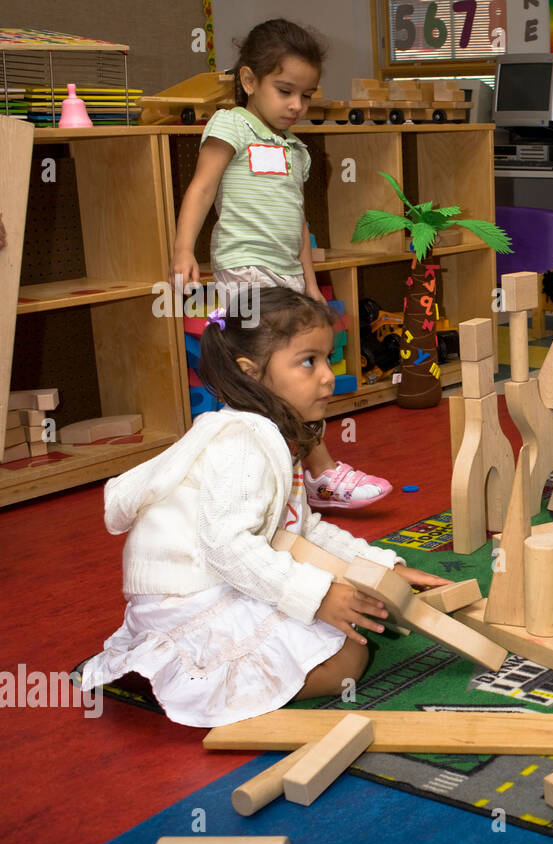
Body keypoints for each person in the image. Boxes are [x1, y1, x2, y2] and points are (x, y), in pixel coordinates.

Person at [80, 289, 449, 727]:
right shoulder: (242, 441)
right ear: (252, 374)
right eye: (307, 362)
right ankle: (188, 679)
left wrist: (378, 565)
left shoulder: (271, 432)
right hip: (191, 596)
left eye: (327, 360)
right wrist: (319, 596)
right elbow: (228, 550)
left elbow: (301, 530)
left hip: (224, 577)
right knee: (347, 658)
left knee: (358, 621)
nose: (328, 377)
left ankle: (185, 670)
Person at [170, 17, 391, 510]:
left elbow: (298, 225)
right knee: (279, 371)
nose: (296, 106)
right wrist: (184, 251)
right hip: (245, 269)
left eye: (306, 96)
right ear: (249, 81)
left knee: (287, 373)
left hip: (287, 273)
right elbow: (202, 187)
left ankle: (291, 477)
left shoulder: (296, 151)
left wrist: (312, 284)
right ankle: (320, 472)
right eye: (285, 90)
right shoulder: (233, 125)